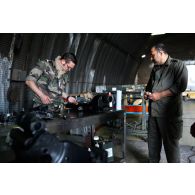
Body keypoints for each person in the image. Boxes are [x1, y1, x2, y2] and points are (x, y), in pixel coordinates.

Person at [144, 43, 188, 163]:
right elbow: (149, 86)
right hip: (154, 113)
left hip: (169, 115)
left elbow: (180, 86)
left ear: (161, 53)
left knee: (171, 147)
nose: (151, 58)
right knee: (152, 144)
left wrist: (160, 95)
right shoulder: (155, 68)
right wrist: (147, 93)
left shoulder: (178, 65)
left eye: (152, 55)